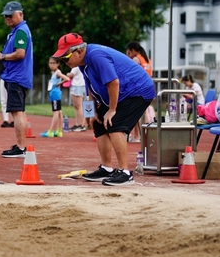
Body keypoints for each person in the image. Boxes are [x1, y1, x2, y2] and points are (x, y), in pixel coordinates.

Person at [53, 33, 155, 186]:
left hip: (138, 90)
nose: (64, 61)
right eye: (62, 58)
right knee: (98, 122)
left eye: (66, 57)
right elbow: (90, 89)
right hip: (122, 93)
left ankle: (125, 173)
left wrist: (112, 110)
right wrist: (91, 112)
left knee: (114, 123)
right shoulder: (82, 64)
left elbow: (113, 82)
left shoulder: (96, 56)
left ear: (79, 51)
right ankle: (107, 168)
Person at [0, 1, 34, 158]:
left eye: (11, 15)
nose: (8, 18)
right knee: (19, 112)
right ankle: (21, 146)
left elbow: (20, 53)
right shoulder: (18, 31)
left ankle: (21, 147)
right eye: (6, 16)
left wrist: (2, 56)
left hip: (16, 77)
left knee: (17, 112)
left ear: (20, 14)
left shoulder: (21, 31)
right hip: (16, 76)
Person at [125, 41, 153, 142]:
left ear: (133, 50)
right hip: (148, 87)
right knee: (143, 112)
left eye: (129, 53)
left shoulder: (136, 59)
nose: (128, 56)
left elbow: (130, 72)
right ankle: (139, 135)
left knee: (138, 113)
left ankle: (139, 136)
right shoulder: (147, 59)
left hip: (139, 87)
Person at [42, 57, 70, 137]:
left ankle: (51, 131)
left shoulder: (57, 72)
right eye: (50, 63)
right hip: (54, 93)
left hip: (55, 93)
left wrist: (59, 83)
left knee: (55, 112)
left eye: (53, 63)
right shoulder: (54, 72)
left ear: (58, 64)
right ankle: (59, 131)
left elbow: (67, 79)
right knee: (59, 112)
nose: (51, 65)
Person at [67, 65, 86, 132]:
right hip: (80, 85)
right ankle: (77, 123)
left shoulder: (76, 66)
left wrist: (67, 74)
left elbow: (71, 75)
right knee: (77, 106)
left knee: (78, 106)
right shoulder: (82, 65)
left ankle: (80, 124)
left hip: (77, 85)